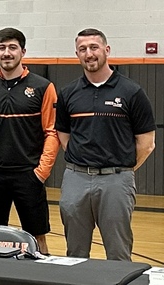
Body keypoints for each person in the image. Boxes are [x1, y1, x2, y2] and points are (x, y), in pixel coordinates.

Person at [57, 28, 156, 261]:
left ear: (107, 50)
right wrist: (82, 162)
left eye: (94, 47)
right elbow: (64, 136)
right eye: (83, 49)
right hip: (76, 179)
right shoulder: (68, 93)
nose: (89, 54)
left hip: (116, 179)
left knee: (118, 252)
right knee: (75, 253)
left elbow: (147, 143)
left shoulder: (131, 91)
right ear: (77, 54)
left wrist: (122, 170)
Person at [0, 27, 58, 254]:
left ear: (23, 52)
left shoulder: (43, 87)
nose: (7, 53)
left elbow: (52, 132)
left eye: (12, 47)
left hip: (28, 174)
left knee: (38, 238)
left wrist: (41, 172)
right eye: (1, 48)